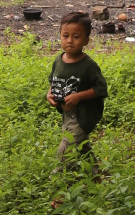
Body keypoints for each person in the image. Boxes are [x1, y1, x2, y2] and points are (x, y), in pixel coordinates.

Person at [47, 12, 107, 175]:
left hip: (82, 115)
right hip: (67, 115)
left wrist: (79, 96)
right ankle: (95, 175)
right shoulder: (58, 61)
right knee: (82, 146)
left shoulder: (88, 65)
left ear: (86, 41)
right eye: (65, 36)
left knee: (65, 150)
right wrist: (50, 94)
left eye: (76, 37)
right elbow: (53, 82)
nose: (70, 41)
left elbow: (101, 89)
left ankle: (61, 186)